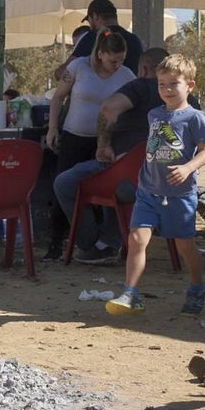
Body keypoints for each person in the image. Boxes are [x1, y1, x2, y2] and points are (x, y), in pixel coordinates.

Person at [106, 55, 205, 316]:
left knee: (184, 245)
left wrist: (188, 167)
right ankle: (130, 293)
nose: (166, 90)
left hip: (179, 194)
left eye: (172, 84)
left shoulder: (194, 117)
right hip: (148, 191)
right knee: (136, 239)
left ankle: (197, 287)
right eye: (161, 84)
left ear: (190, 85)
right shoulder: (153, 114)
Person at [52, 48, 174, 264]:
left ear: (143, 69)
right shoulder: (186, 97)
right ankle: (108, 241)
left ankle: (94, 243)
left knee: (66, 182)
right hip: (169, 182)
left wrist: (103, 144)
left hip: (127, 178)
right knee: (113, 174)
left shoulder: (141, 87)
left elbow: (108, 108)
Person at [44, 30, 135, 260]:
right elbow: (57, 98)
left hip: (105, 142)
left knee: (104, 191)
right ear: (101, 53)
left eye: (121, 60)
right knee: (62, 187)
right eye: (113, 60)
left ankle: (100, 243)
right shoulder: (78, 68)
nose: (117, 65)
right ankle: (58, 242)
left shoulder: (126, 76)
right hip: (74, 136)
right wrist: (52, 128)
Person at [55, 0, 143, 80]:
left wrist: (58, 73)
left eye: (89, 20)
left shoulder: (91, 38)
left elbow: (65, 71)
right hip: (127, 93)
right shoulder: (134, 40)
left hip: (95, 94)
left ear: (95, 16)